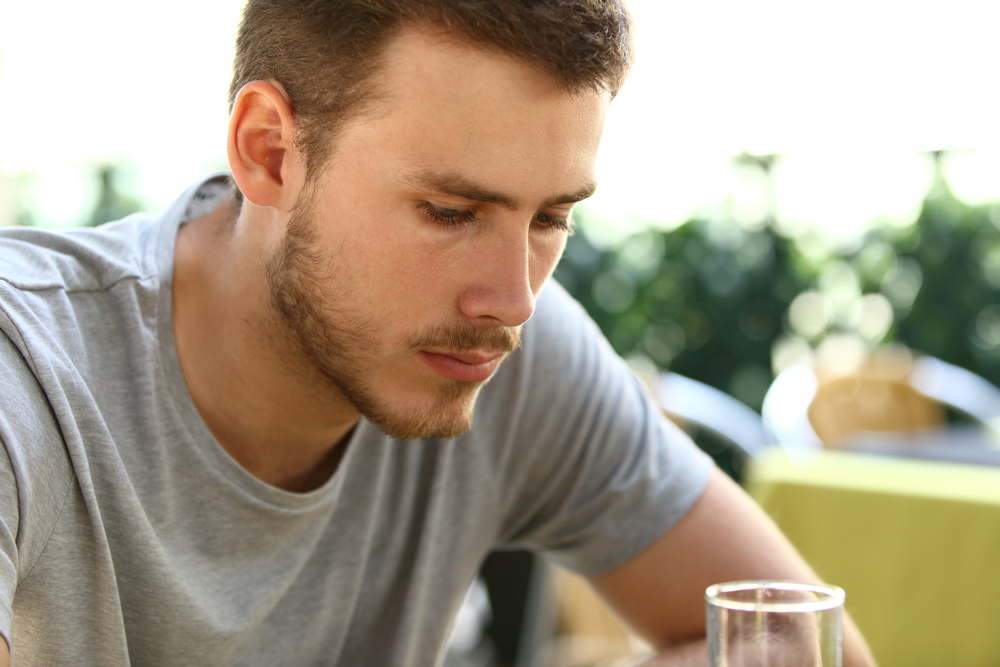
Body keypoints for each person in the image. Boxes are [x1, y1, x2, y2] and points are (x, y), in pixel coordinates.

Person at [0, 1, 876, 665]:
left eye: (551, 219)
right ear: (269, 151)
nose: (513, 299)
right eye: (451, 211)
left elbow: (801, 641)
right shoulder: (26, 374)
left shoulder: (504, 354)